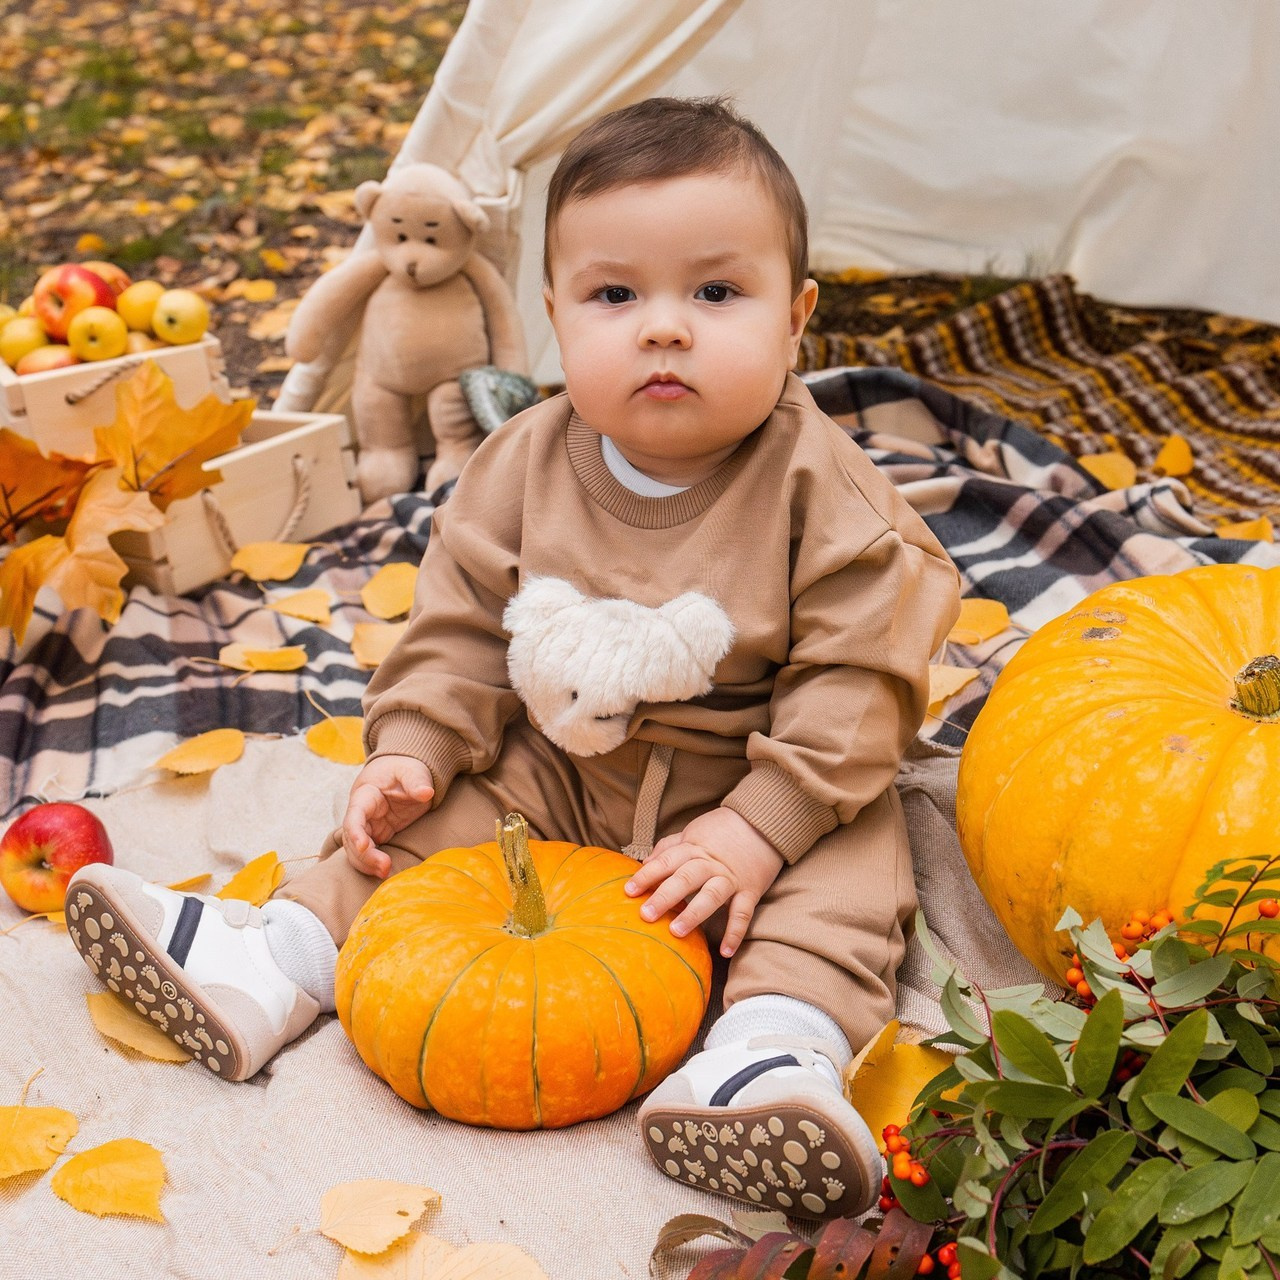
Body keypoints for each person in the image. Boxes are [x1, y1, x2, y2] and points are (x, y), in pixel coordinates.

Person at [66, 96, 960, 1220]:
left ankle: (771, 1053)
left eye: (716, 293)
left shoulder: (821, 490)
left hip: (758, 776)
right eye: (614, 295)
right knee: (420, 835)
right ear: (553, 319)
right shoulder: (518, 464)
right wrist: (416, 745)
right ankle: (273, 960)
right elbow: (458, 629)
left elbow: (859, 678)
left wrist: (759, 825)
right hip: (562, 767)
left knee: (852, 870)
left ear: (795, 320)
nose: (664, 328)